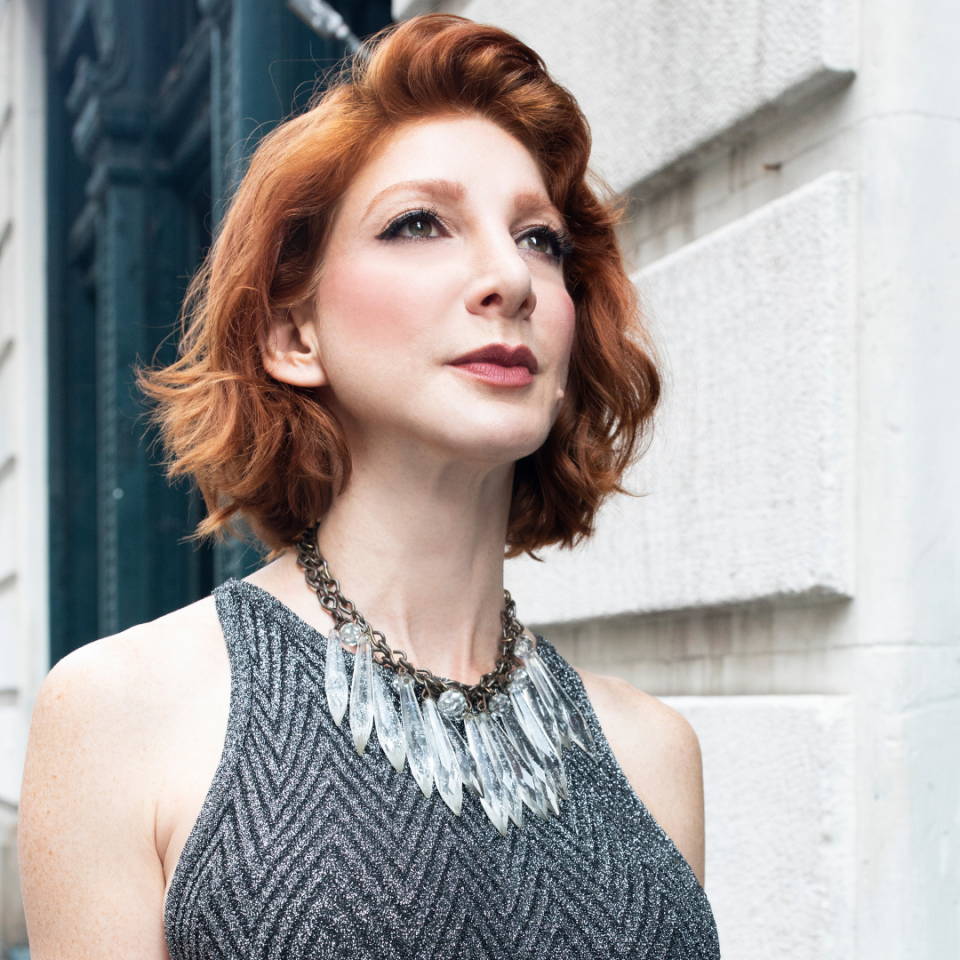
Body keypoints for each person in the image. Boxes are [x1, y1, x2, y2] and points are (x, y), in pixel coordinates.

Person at [19, 14, 719, 960]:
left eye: (540, 239)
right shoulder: (120, 715)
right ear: (293, 337)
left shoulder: (654, 756)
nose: (508, 276)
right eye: (419, 223)